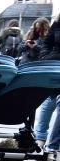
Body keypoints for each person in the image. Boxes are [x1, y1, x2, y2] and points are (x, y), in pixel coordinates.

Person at [24, 18, 53, 147]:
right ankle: (32, 129)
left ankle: (38, 134)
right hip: (28, 67)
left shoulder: (48, 38)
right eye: (35, 27)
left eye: (39, 28)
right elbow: (21, 47)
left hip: (39, 69)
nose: (37, 30)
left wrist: (35, 47)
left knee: (39, 102)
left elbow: (45, 52)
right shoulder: (31, 34)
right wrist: (26, 45)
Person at [41, 15, 60, 153]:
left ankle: (52, 146)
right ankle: (40, 138)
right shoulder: (57, 23)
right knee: (48, 102)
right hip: (53, 65)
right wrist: (45, 56)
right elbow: (47, 43)